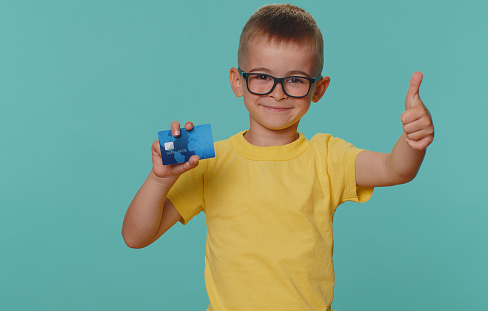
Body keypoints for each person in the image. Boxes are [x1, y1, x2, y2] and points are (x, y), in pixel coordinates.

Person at [122, 4, 434, 311]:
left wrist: (413, 141)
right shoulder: (208, 161)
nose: (278, 92)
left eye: (296, 80)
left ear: (319, 88)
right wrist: (159, 178)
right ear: (237, 81)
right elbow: (135, 237)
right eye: (261, 76)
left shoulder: (327, 157)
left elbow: (395, 169)